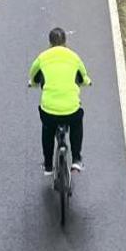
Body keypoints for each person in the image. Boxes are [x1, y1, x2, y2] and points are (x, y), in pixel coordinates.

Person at [28, 27, 91, 176]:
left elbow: (33, 76)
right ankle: (76, 159)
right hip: (71, 109)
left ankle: (48, 166)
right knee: (77, 123)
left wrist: (33, 83)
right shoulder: (74, 57)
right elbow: (83, 76)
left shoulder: (42, 57)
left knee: (47, 130)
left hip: (49, 110)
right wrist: (87, 82)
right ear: (65, 42)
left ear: (50, 43)